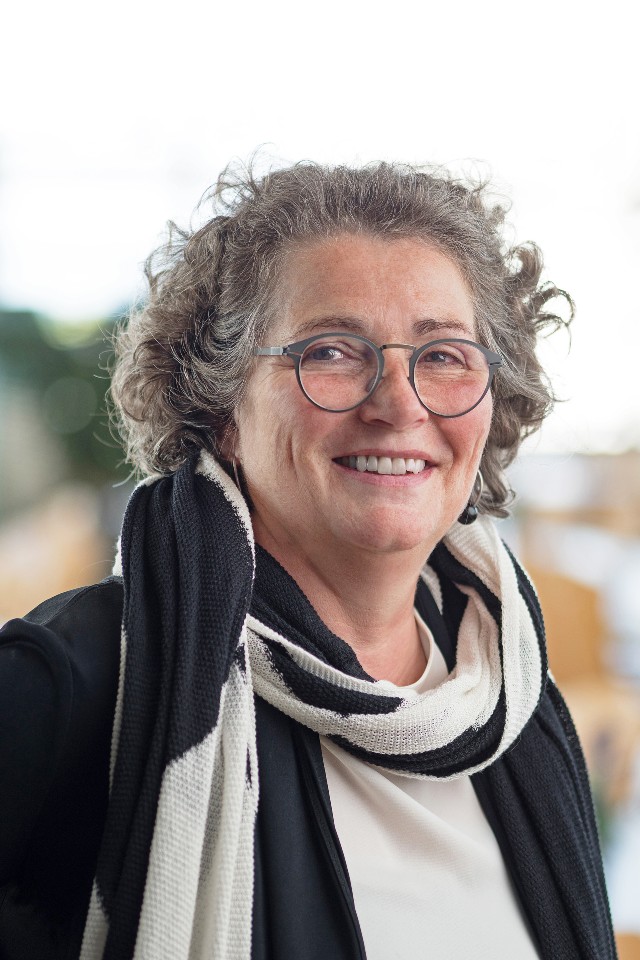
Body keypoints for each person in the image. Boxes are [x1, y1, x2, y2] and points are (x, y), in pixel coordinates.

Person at [0, 161, 617, 960]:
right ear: (219, 406)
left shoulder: (511, 692)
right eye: (331, 351)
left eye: (443, 356)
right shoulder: (75, 681)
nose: (399, 403)